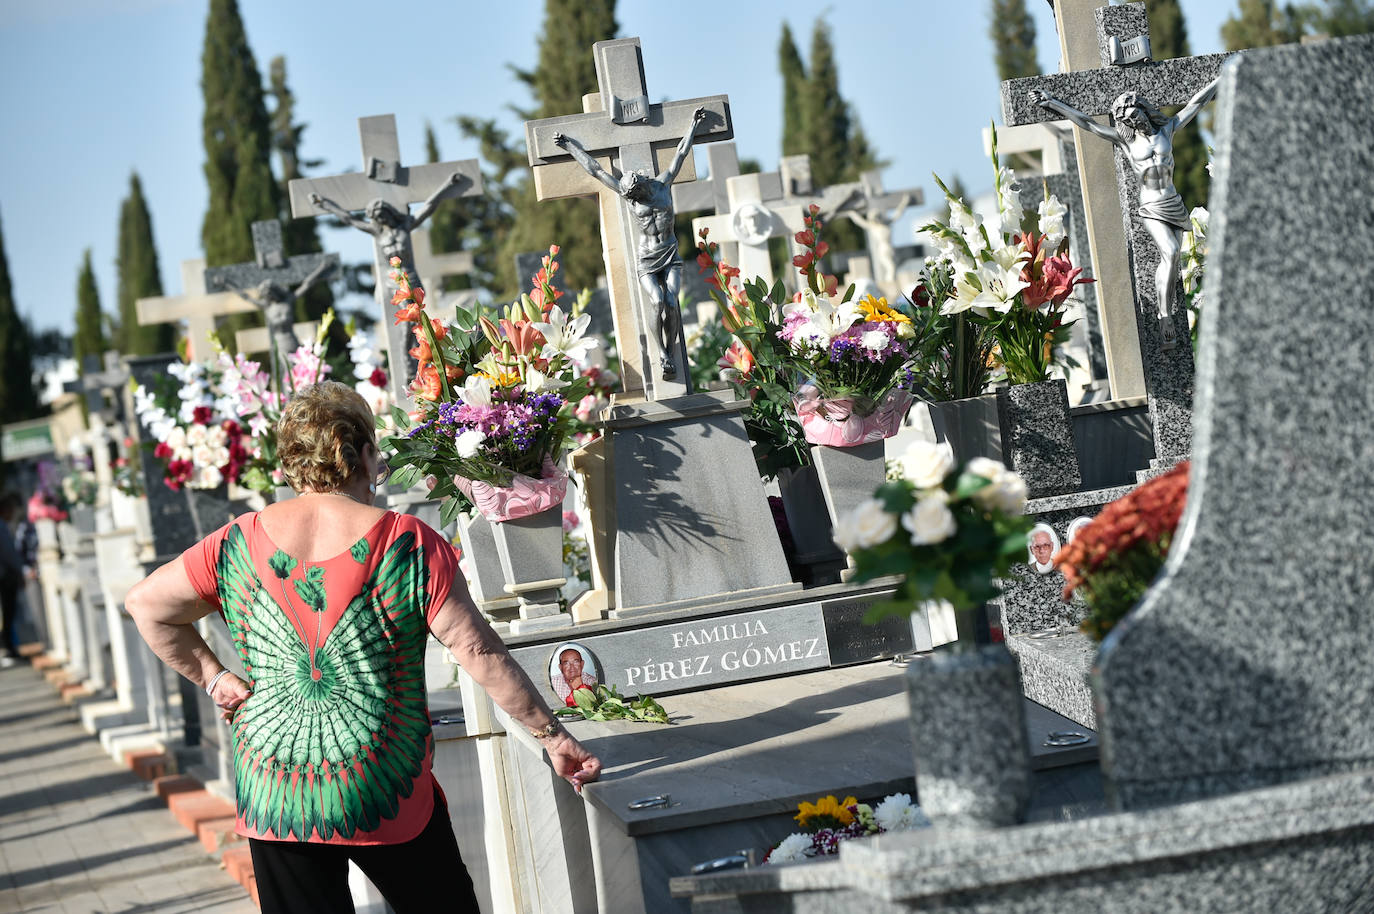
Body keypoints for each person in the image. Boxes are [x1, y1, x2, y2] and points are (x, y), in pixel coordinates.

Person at [125, 381, 600, 914]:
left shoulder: (237, 540)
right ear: (367, 454)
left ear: (289, 463)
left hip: (278, 786)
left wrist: (214, 676)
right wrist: (553, 736)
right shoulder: (407, 541)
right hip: (382, 781)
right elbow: (478, 651)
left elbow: (146, 604)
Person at [1031, 80, 1219, 349]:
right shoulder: (1126, 141)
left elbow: (1196, 103)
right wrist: (1052, 103)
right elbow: (1087, 123)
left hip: (1173, 202)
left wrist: (1220, 79)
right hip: (1151, 204)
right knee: (1170, 251)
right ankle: (1164, 316)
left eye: (1136, 115)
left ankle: (1169, 312)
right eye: (1129, 120)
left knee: (1173, 258)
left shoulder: (1167, 129)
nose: (1135, 122)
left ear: (1143, 110)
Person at [553, 106, 710, 380]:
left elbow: (680, 154)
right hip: (647, 259)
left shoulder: (662, 186)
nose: (633, 197)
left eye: (635, 192)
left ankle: (670, 353)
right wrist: (569, 146)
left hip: (670, 253)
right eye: (630, 195)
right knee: (657, 300)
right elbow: (596, 170)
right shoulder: (631, 199)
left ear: (641, 184)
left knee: (672, 302)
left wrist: (693, 126)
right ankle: (661, 353)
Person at [0, 493, 24, 667]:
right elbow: (8, 553)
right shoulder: (1, 526)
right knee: (7, 613)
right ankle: (9, 649)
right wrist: (19, 569)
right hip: (5, 576)